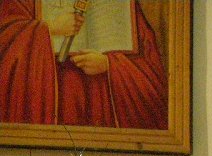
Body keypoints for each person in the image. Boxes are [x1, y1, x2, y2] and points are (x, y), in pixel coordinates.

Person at [0, 0, 167, 129]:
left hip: (101, 99)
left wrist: (109, 64)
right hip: (53, 92)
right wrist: (50, 28)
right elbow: (6, 39)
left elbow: (151, 72)